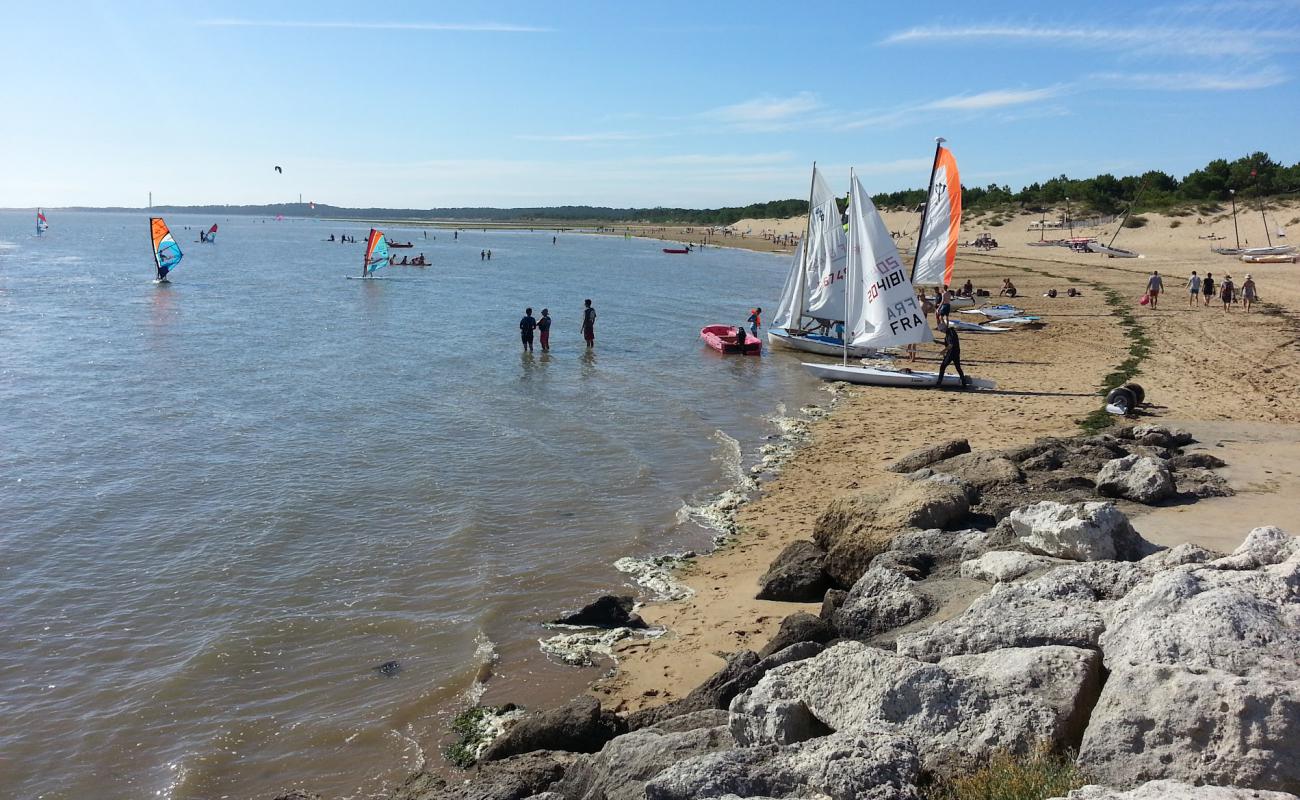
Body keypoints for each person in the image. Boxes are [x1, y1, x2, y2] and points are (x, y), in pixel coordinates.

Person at [934, 322, 969, 389]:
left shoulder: (950, 333)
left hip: (952, 353)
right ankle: (964, 384)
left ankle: (938, 384)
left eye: (941, 331)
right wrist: (938, 342)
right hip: (956, 352)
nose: (941, 332)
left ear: (944, 329)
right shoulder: (950, 332)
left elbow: (950, 345)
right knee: (958, 368)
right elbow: (948, 343)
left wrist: (943, 351)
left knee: (942, 367)